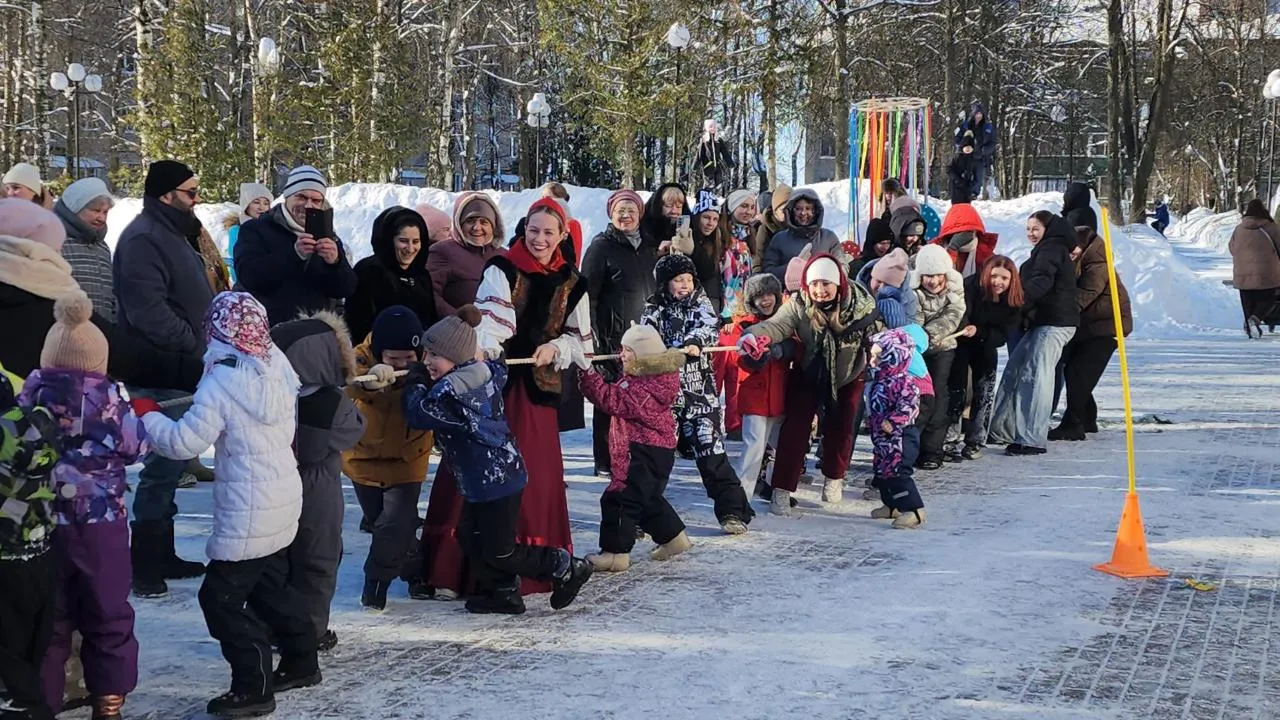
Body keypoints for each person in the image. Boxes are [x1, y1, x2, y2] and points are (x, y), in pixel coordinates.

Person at [130, 292, 319, 719]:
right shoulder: (277, 365)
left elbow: (184, 443)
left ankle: (253, 685)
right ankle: (302, 659)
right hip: (282, 497)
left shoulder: (222, 380)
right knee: (269, 584)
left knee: (221, 598)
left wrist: (147, 414)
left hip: (248, 508)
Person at [402, 309, 594, 615]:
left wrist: (414, 382)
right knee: (469, 535)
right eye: (426, 353)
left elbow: (419, 412)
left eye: (434, 355)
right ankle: (502, 592)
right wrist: (487, 359)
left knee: (501, 550)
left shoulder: (457, 393)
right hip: (487, 480)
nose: (426, 361)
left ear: (455, 358)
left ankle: (565, 567)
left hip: (497, 484)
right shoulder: (482, 374)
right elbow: (499, 368)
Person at [21, 293, 143, 720]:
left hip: (43, 524)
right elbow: (136, 445)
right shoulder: (111, 400)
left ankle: (43, 702)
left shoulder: (31, 396)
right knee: (108, 611)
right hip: (101, 524)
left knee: (50, 621)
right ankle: (108, 701)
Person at [473, 198, 591, 595]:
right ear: (524, 228)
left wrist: (557, 347)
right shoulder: (502, 268)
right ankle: (482, 567)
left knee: (535, 475)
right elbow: (488, 329)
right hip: (499, 390)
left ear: (561, 236)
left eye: (549, 232)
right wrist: (491, 355)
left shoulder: (573, 282)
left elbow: (581, 342)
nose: (540, 239)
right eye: (534, 230)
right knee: (490, 470)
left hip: (539, 391)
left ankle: (536, 559)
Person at [113, 159, 214, 597]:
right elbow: (148, 311)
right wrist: (191, 342)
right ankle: (146, 564)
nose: (196, 200)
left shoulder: (173, 233)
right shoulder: (142, 239)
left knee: (172, 465)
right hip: (159, 366)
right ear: (166, 195)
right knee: (160, 465)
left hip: (179, 362)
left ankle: (164, 554)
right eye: (190, 193)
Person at [0, 198, 201, 390]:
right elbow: (129, 357)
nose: (60, 260)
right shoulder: (57, 307)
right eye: (54, 252)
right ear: (33, 252)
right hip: (46, 421)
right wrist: (202, 372)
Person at [740, 254, 880, 513]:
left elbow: (878, 335)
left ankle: (834, 476)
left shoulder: (863, 306)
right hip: (810, 370)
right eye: (814, 284)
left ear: (838, 284)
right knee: (795, 428)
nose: (819, 290)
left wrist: (878, 351)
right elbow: (775, 325)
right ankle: (781, 488)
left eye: (825, 284)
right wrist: (751, 336)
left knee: (843, 423)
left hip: (849, 373)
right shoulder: (798, 304)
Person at [269, 313, 364, 648]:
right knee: (318, 560)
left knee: (280, 560)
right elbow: (355, 429)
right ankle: (311, 631)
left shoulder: (271, 399)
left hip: (277, 488)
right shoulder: (331, 403)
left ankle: (274, 627)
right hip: (319, 491)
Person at [642, 253, 754, 534]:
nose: (684, 285)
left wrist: (694, 341)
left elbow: (708, 327)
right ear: (665, 283)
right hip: (665, 398)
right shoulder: (653, 308)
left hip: (699, 395)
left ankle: (732, 511)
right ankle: (639, 514)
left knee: (711, 453)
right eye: (678, 280)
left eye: (688, 280)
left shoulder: (700, 302)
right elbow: (645, 336)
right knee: (655, 458)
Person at [345, 305, 439, 606]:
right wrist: (370, 381)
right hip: (363, 459)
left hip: (408, 457)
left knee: (395, 524)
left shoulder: (428, 362)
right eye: (393, 360)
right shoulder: (359, 357)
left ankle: (376, 581)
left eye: (408, 360)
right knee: (382, 524)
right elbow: (348, 385)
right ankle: (416, 570)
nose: (401, 366)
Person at [577, 324, 690, 572]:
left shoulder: (646, 388)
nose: (621, 355)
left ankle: (615, 553)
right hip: (652, 451)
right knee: (645, 498)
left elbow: (613, 400)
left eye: (627, 351)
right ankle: (674, 539)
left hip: (643, 452)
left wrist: (587, 374)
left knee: (620, 498)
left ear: (643, 355)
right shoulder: (649, 379)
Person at [581, 189, 659, 478]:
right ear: (611, 215)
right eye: (620, 211)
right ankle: (604, 459)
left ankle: (637, 453)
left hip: (646, 337)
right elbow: (587, 295)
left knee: (641, 397)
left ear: (640, 213)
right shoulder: (601, 247)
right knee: (610, 400)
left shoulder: (650, 247)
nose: (626, 216)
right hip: (611, 336)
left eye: (631, 210)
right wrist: (594, 338)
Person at [988, 212, 1079, 456]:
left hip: (1055, 322)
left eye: (1036, 228)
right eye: (1028, 228)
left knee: (1035, 376)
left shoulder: (1051, 249)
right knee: (1017, 369)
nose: (1031, 233)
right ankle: (1004, 430)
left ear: (1048, 228)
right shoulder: (1049, 248)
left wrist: (1016, 302)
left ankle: (1031, 438)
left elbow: (1040, 282)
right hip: (1043, 321)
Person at [0, 368, 59, 720]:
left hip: (4, 555)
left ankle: (28, 702)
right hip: (41, 549)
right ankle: (26, 696)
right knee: (33, 633)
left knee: (6, 640)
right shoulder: (36, 427)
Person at [233, 165, 358, 326]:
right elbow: (248, 276)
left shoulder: (327, 235)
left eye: (316, 200)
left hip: (315, 336)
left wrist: (335, 263)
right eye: (301, 197)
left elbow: (345, 289)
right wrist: (293, 254)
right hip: (271, 334)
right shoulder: (256, 229)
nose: (308, 205)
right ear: (287, 196)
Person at [1050, 227, 1132, 441]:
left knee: (1079, 373)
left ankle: (1073, 424)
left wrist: (1055, 311)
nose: (1069, 251)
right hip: (1091, 327)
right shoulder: (1086, 260)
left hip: (1106, 328)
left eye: (1073, 247)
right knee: (1074, 369)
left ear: (1083, 246)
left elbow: (1085, 296)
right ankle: (1087, 417)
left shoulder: (1097, 265)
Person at [945, 256, 1023, 461]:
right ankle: (950, 439)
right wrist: (966, 326)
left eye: (1004, 278)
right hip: (961, 342)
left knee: (985, 389)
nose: (998, 282)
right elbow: (960, 312)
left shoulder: (1013, 300)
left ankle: (975, 440)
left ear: (1011, 280)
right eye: (994, 275)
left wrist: (980, 332)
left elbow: (1004, 334)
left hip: (986, 342)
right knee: (956, 388)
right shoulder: (970, 285)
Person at [724, 274, 793, 503]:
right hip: (755, 397)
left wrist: (782, 349)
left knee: (781, 447)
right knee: (753, 446)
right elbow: (739, 360)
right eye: (759, 296)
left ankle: (775, 489)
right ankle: (740, 498)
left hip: (781, 396)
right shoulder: (745, 326)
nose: (766, 300)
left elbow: (799, 348)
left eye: (769, 294)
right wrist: (755, 358)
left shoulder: (787, 322)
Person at [346, 205, 436, 345]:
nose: (411, 248)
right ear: (389, 240)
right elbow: (359, 324)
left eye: (416, 241)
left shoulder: (421, 275)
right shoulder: (369, 270)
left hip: (416, 354)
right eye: (403, 241)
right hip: (379, 356)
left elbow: (430, 321)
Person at [910, 245, 966, 470]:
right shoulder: (913, 293)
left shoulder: (955, 289)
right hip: (917, 351)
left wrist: (927, 335)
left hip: (942, 348)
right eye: (927, 276)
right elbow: (914, 317)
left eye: (936, 275)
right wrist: (918, 338)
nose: (932, 281)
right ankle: (912, 447)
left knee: (939, 395)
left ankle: (933, 450)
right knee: (918, 398)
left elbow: (953, 315)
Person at [866, 327, 927, 529]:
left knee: (898, 472)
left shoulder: (905, 383)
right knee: (882, 472)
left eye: (878, 356)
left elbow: (910, 407)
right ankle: (891, 505)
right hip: (882, 438)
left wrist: (893, 421)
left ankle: (914, 510)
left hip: (901, 437)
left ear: (893, 356)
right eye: (872, 356)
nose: (872, 361)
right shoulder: (878, 381)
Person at [426, 191, 505, 319]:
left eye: (484, 222)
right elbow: (428, 292)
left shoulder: (504, 256)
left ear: (493, 226)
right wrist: (458, 319)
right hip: (458, 332)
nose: (477, 227)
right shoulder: (443, 252)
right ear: (459, 224)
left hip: (500, 333)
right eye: (470, 221)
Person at [53, 178, 116, 322]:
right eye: (95, 211)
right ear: (75, 208)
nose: (101, 218)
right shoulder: (57, 242)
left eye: (105, 212)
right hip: (66, 332)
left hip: (102, 335)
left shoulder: (102, 247)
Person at [761, 188, 845, 282]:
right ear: (791, 211)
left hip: (821, 292)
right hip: (788, 293)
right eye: (798, 209)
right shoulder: (779, 239)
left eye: (808, 208)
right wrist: (793, 268)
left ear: (816, 211)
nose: (803, 213)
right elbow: (768, 272)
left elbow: (842, 268)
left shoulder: (829, 238)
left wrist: (821, 271)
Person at [1228, 199, 1280, 338]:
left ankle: (1250, 327)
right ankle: (1255, 319)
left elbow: (1232, 248)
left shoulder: (1238, 229)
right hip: (1267, 273)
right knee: (1268, 298)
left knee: (1247, 300)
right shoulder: (1271, 228)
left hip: (1242, 273)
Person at [684, 189, 727, 313]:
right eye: (706, 217)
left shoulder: (717, 242)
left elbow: (712, 273)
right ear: (697, 217)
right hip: (692, 302)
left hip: (713, 302)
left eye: (715, 219)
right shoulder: (688, 238)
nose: (710, 223)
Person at [932, 202, 998, 279]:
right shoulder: (937, 249)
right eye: (958, 232)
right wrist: (952, 249)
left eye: (967, 232)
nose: (962, 237)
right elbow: (939, 279)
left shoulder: (983, 253)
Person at [223, 183, 273, 283]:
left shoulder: (274, 229)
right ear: (246, 204)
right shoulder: (237, 231)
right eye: (256, 202)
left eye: (266, 203)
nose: (261, 207)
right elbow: (237, 265)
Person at [954, 102, 997, 199]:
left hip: (980, 156)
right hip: (965, 156)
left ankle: (974, 194)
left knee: (978, 177)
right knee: (964, 175)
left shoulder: (988, 127)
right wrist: (962, 147)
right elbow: (957, 139)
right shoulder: (965, 125)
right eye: (977, 114)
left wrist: (984, 150)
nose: (978, 116)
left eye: (980, 114)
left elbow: (992, 142)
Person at [541, 182, 584, 264]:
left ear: (560, 199)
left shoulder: (572, 224)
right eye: (542, 197)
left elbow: (575, 256)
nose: (543, 200)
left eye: (548, 197)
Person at [752, 184, 791, 271]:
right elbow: (758, 260)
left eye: (791, 208)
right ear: (775, 210)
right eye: (783, 209)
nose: (788, 213)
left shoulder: (797, 226)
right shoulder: (765, 228)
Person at [640, 183, 690, 249]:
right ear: (659, 206)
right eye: (668, 206)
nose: (674, 211)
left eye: (678, 207)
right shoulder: (645, 226)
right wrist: (656, 251)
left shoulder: (689, 226)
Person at [696, 119, 734, 192]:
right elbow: (699, 153)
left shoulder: (718, 140)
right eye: (710, 127)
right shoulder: (704, 140)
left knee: (719, 183)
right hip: (708, 166)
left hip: (718, 166)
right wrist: (695, 165)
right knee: (709, 184)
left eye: (714, 127)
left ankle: (718, 198)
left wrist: (730, 163)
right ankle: (708, 198)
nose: (713, 128)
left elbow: (724, 152)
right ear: (707, 128)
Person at [948, 131, 980, 204]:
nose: (968, 149)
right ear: (963, 147)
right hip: (957, 186)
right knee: (957, 204)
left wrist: (972, 183)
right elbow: (950, 169)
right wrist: (956, 179)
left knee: (966, 205)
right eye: (966, 147)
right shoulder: (957, 157)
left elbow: (977, 174)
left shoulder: (974, 159)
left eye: (970, 147)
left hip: (968, 187)